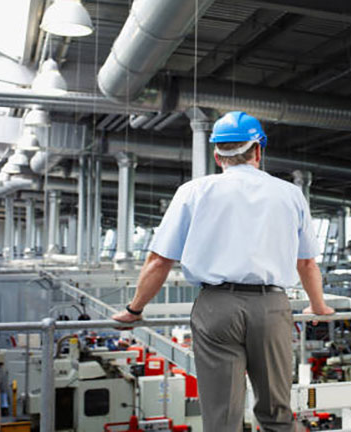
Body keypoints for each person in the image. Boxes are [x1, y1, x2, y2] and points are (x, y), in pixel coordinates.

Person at [112, 111, 335, 432]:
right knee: (277, 410)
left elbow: (159, 261)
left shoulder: (193, 191)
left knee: (222, 415)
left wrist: (135, 310)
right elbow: (307, 263)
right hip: (271, 308)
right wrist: (318, 306)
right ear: (259, 151)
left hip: (216, 308)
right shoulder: (290, 194)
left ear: (217, 156)